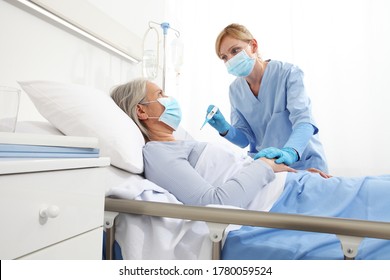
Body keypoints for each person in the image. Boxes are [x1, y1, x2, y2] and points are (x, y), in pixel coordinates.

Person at [110, 78, 390, 259]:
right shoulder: (158, 153)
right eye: (160, 94)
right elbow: (215, 202)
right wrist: (265, 165)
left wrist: (293, 172)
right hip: (283, 204)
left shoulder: (181, 143)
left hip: (296, 189)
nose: (169, 99)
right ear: (142, 111)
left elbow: (238, 172)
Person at [206, 23, 328, 172]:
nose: (230, 60)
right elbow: (245, 139)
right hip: (269, 169)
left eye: (235, 50)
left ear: (254, 46)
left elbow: (304, 121)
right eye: (224, 57)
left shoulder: (287, 74)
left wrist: (290, 152)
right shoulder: (235, 90)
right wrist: (225, 129)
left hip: (304, 163)